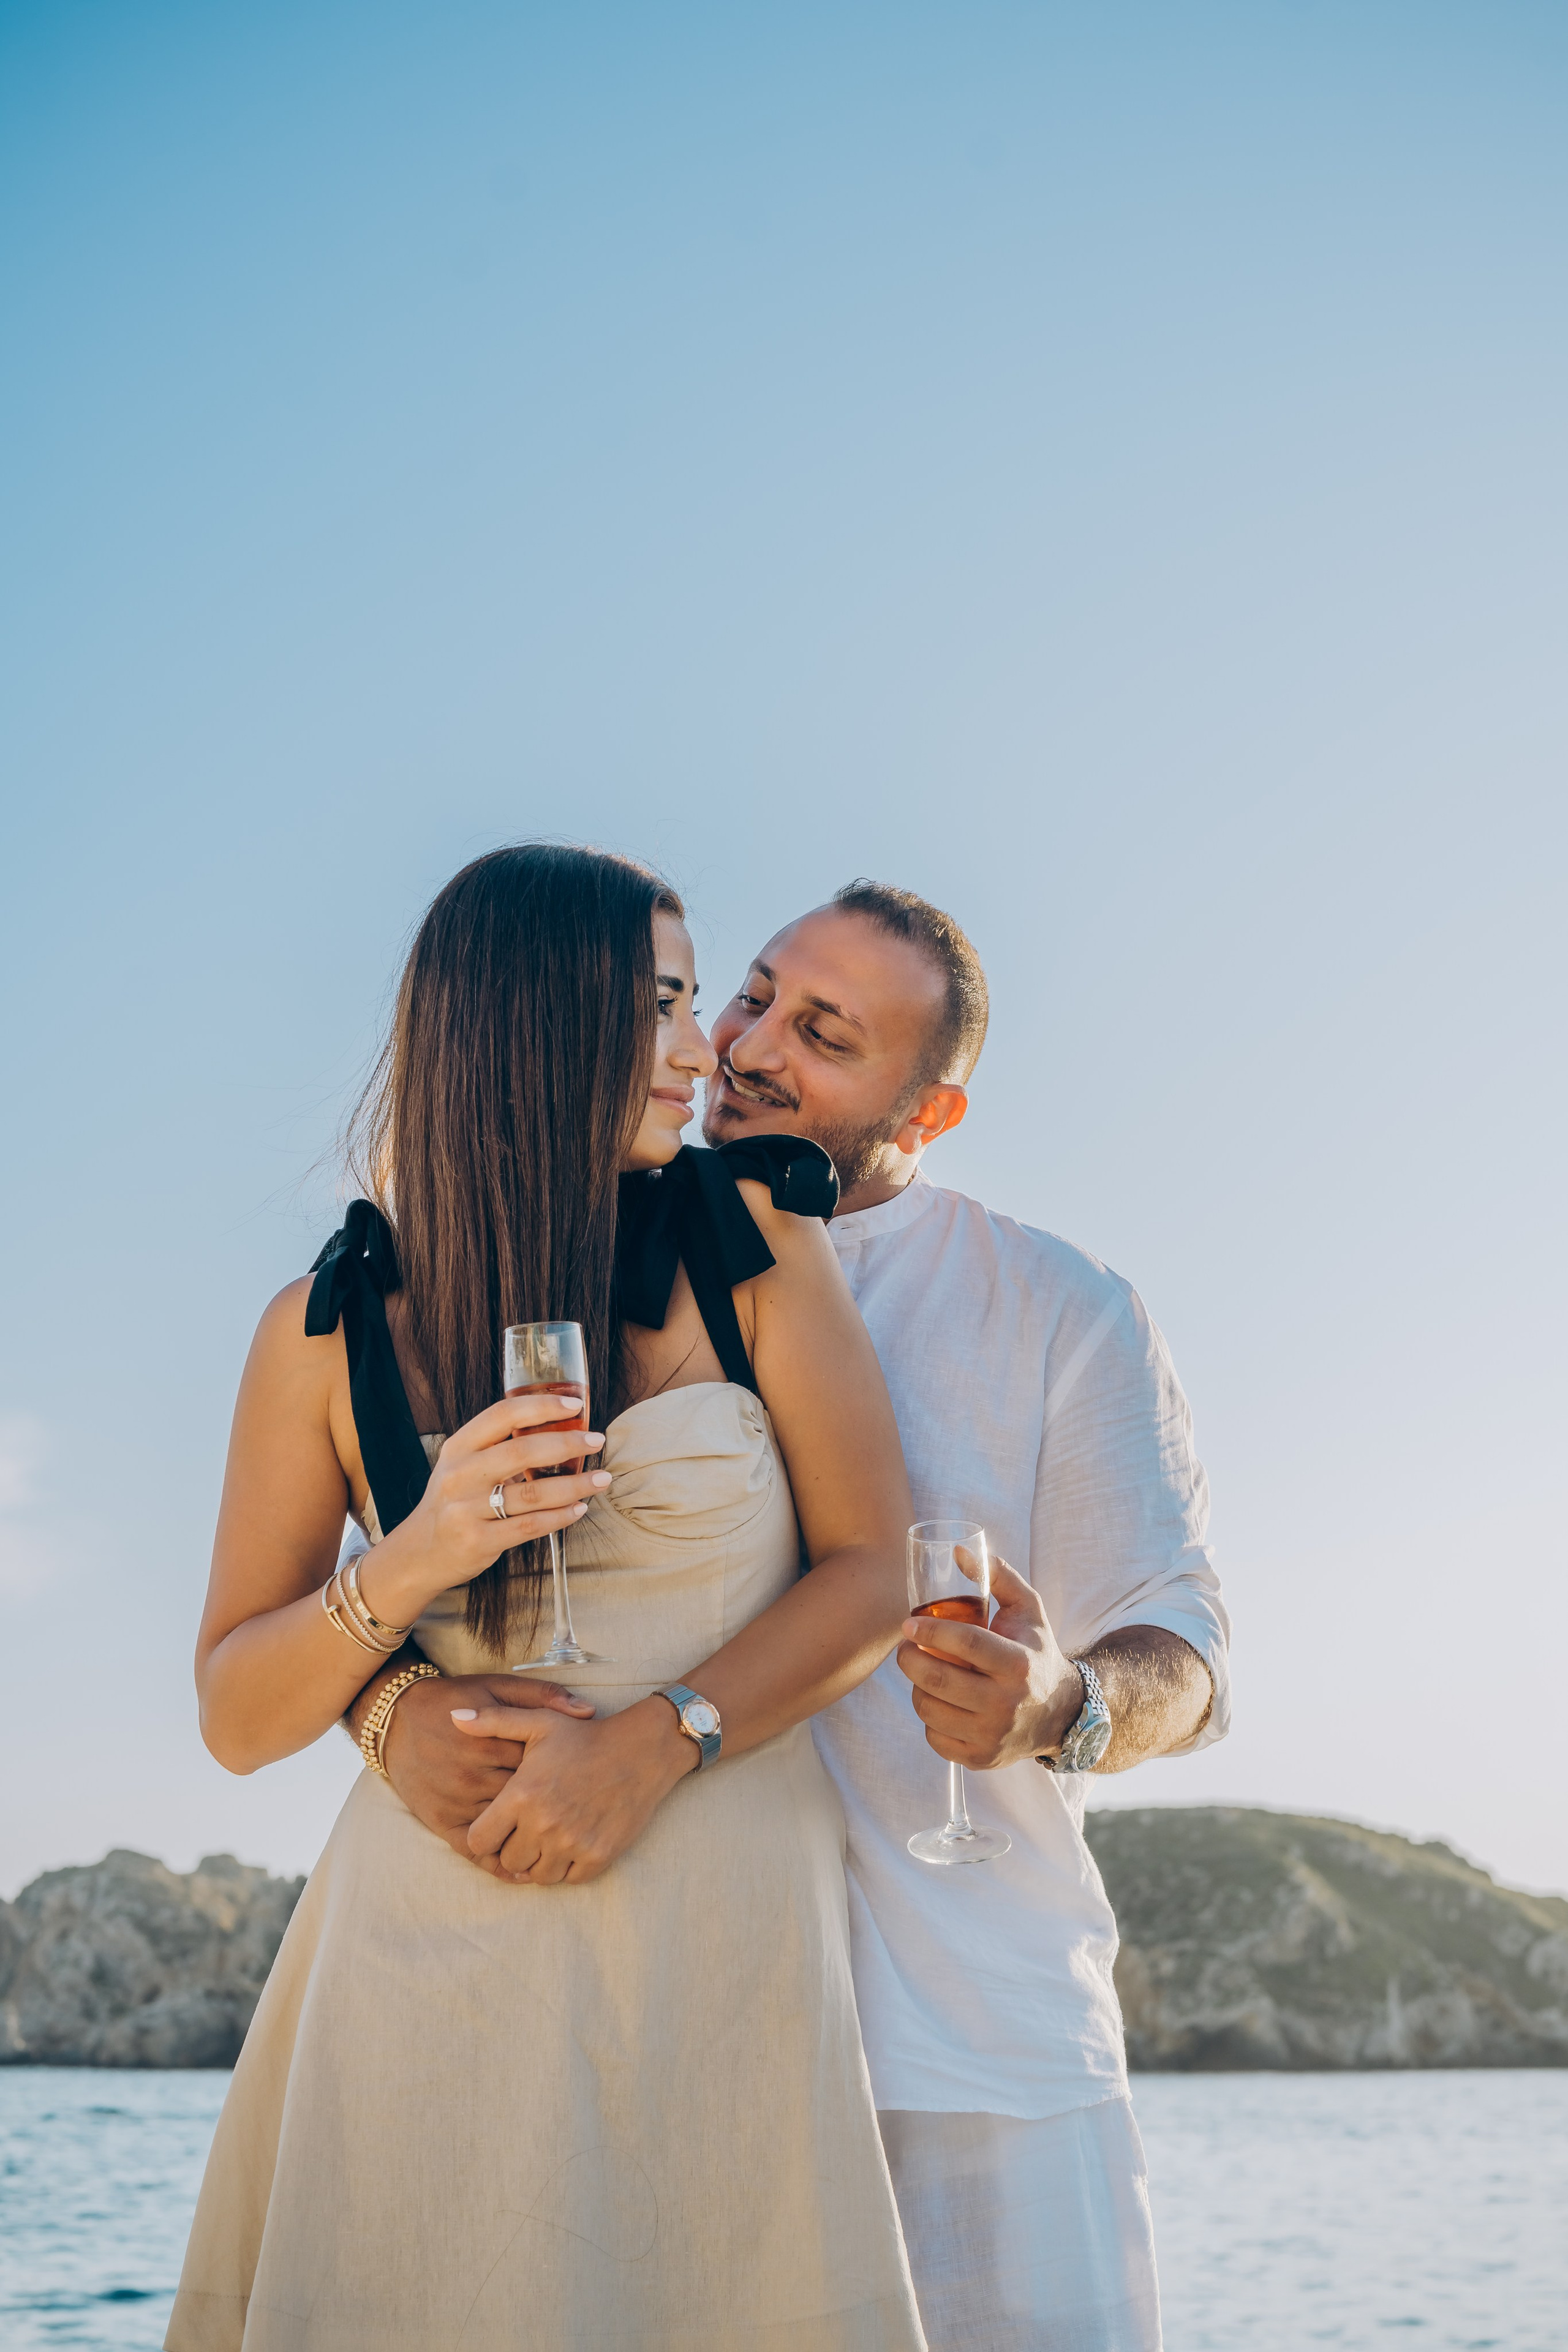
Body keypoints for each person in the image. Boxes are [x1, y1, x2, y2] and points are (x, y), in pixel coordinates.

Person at [360, 876, 1232, 2352]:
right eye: (751, 995)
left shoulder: (1056, 1305)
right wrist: (381, 1708)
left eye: (824, 1034)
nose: (750, 1046)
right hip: (653, 2030)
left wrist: (1061, 1707)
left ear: (927, 1111)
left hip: (968, 2046)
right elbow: (369, 1584)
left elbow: (1186, 1653)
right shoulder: (558, 1256)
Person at [168, 845, 927, 2351]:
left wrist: (663, 1738)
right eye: (658, 1002)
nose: (702, 1048)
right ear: (527, 1021)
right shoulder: (319, 1333)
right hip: (425, 1954)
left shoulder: (752, 1242)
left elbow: (873, 1575)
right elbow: (236, 1717)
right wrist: (402, 1594)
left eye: (694, 999)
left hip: (720, 1948)